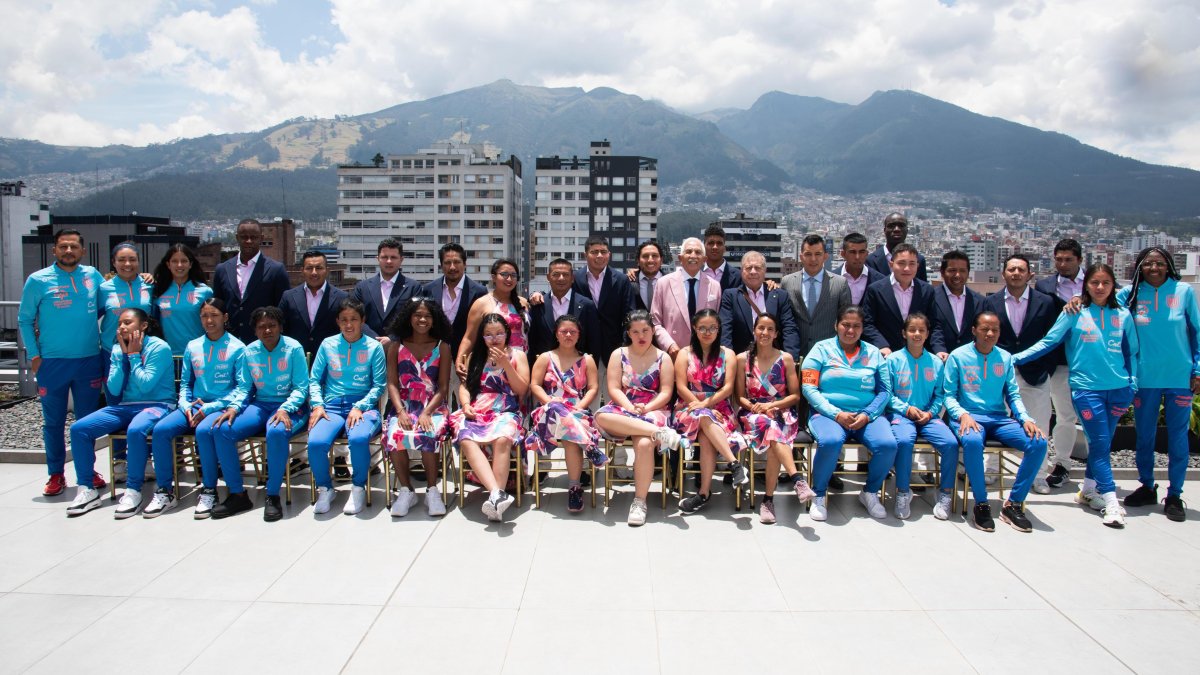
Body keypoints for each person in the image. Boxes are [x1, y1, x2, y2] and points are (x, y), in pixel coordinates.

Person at [1015, 263, 1138, 527]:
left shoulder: (1124, 316)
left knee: (1100, 445)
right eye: (1095, 283)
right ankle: (1112, 502)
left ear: (1113, 285)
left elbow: (1132, 353)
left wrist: (1133, 383)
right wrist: (1014, 358)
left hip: (1118, 391)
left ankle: (1089, 490)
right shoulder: (1074, 313)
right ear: (1086, 285)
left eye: (1106, 283)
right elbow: (1049, 342)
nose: (1100, 288)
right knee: (1101, 442)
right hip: (1086, 389)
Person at [136, 298, 244, 519]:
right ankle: (165, 490)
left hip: (219, 407)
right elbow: (185, 383)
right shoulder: (193, 346)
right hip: (192, 407)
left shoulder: (237, 347)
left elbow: (242, 388)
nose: (209, 320)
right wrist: (185, 405)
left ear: (225, 317)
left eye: (214, 315)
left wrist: (212, 406)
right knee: (161, 430)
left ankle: (209, 489)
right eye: (204, 315)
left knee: (205, 431)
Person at [19, 229, 108, 497]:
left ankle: (87, 471)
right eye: (63, 247)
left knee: (86, 422)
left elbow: (110, 305)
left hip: (88, 360)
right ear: (54, 250)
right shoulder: (37, 280)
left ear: (82, 250)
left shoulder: (93, 276)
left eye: (73, 247)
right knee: (53, 422)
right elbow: (24, 319)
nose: (68, 251)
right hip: (53, 363)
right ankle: (56, 474)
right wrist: (34, 355)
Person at [942, 311, 1049, 532]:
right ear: (974, 330)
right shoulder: (958, 356)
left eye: (995, 330)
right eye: (984, 329)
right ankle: (981, 504)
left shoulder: (1005, 357)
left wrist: (1025, 419)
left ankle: (1014, 503)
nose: (990, 333)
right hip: (967, 416)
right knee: (971, 442)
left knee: (1038, 442)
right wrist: (962, 414)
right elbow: (948, 395)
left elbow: (1013, 394)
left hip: (998, 418)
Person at [1116, 247, 1200, 522]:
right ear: (1139, 266)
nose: (1154, 268)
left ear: (1168, 266)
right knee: (1145, 435)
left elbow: (1196, 332)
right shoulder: (1130, 294)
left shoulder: (1184, 292)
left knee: (1177, 437)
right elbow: (1100, 298)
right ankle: (1146, 485)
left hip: (1179, 377)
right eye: (1148, 263)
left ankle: (1174, 493)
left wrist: (1198, 369)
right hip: (1145, 378)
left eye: (1159, 263)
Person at [65, 308, 175, 517]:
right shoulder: (117, 349)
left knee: (135, 430)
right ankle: (86, 488)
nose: (122, 327)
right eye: (120, 324)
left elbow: (146, 386)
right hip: (126, 406)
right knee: (79, 429)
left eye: (127, 323)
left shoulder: (159, 347)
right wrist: (123, 356)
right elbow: (114, 389)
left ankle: (133, 490)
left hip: (158, 404)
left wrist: (133, 355)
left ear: (143, 326)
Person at [801, 305, 897, 521]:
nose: (850, 330)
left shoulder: (874, 353)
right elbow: (809, 388)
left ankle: (870, 492)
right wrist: (835, 414)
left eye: (856, 326)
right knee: (831, 441)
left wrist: (868, 414)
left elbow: (885, 391)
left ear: (863, 329)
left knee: (888, 445)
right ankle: (818, 494)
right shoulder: (820, 349)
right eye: (846, 325)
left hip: (866, 416)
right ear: (836, 325)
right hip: (827, 415)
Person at [213, 307, 309, 522]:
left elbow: (302, 388)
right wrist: (234, 408)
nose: (267, 330)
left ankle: (272, 494)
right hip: (261, 404)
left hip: (291, 406)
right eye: (262, 327)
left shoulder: (293, 348)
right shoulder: (250, 351)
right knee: (222, 430)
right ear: (255, 331)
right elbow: (245, 387)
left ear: (280, 327)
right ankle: (237, 494)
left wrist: (285, 408)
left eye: (272, 325)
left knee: (275, 432)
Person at [595, 310, 687, 526]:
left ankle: (640, 501)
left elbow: (666, 392)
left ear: (653, 331)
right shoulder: (618, 354)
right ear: (628, 333)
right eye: (635, 331)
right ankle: (658, 433)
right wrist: (630, 408)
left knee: (645, 444)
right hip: (624, 407)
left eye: (645, 330)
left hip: (654, 408)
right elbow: (614, 388)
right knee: (600, 416)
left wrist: (645, 408)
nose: (641, 335)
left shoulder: (663, 357)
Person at [981, 253, 1062, 493]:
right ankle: (991, 468)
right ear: (1003, 273)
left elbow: (1053, 338)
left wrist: (1046, 367)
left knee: (1039, 424)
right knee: (996, 420)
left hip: (1035, 373)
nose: (1016, 273)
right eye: (1011, 269)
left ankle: (1038, 475)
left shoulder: (1046, 302)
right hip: (1000, 373)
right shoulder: (991, 302)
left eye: (1021, 270)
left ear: (1030, 274)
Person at [307, 298, 387, 516]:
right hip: (331, 407)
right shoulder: (327, 344)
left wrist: (360, 406)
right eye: (344, 320)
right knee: (315, 442)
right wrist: (317, 405)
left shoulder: (373, 347)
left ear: (363, 321)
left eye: (353, 319)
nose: (349, 324)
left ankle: (358, 487)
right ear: (337, 322)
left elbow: (379, 384)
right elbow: (314, 380)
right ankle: (325, 488)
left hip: (364, 407)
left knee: (358, 439)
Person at [450, 313, 530, 522]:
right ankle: (496, 494)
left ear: (507, 333)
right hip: (478, 408)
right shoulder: (476, 356)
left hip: (506, 408)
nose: (494, 338)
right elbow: (465, 387)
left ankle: (496, 498)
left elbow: (521, 389)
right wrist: (466, 404)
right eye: (488, 335)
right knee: (466, 437)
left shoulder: (518, 355)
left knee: (503, 438)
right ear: (482, 337)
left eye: (498, 333)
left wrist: (506, 364)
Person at [736, 313, 814, 525]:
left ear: (776, 333)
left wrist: (772, 405)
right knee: (771, 429)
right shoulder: (742, 359)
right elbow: (740, 396)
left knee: (773, 437)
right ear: (754, 330)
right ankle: (796, 479)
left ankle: (769, 500)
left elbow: (795, 395)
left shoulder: (785, 358)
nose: (765, 333)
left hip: (781, 412)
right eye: (761, 328)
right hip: (752, 414)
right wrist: (758, 408)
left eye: (770, 329)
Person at [881, 313, 960, 520]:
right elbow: (886, 394)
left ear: (927, 334)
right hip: (901, 415)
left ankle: (944, 493)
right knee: (905, 441)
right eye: (912, 330)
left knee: (951, 443)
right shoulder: (893, 360)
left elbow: (940, 395)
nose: (916, 334)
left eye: (921, 330)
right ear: (904, 333)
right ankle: (902, 492)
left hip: (928, 416)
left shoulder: (935, 363)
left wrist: (931, 412)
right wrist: (906, 409)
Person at [527, 314, 604, 513]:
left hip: (576, 411)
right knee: (556, 409)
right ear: (556, 334)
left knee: (570, 438)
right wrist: (549, 400)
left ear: (579, 335)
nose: (568, 335)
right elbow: (534, 385)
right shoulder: (546, 357)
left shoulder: (587, 360)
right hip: (548, 410)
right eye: (564, 331)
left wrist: (580, 406)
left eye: (573, 331)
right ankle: (589, 446)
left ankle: (574, 487)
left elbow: (594, 388)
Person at [674, 309, 749, 513]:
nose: (708, 332)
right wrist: (701, 405)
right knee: (705, 417)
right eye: (703, 328)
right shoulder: (684, 353)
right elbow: (681, 386)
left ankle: (704, 493)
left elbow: (727, 388)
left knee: (707, 437)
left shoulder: (728, 354)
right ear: (695, 330)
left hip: (719, 406)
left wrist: (706, 404)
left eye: (713, 328)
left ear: (718, 330)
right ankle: (734, 464)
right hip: (689, 406)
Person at [383, 297, 452, 518]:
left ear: (434, 320)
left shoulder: (443, 347)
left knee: (427, 432)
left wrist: (426, 412)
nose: (422, 319)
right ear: (408, 317)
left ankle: (432, 490)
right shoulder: (396, 346)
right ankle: (406, 490)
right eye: (417, 315)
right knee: (394, 434)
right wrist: (401, 412)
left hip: (433, 405)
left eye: (427, 316)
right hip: (404, 405)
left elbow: (442, 387)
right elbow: (392, 383)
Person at [1032, 238, 1084, 490]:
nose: (1063, 264)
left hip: (1085, 358)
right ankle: (1039, 467)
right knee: (1043, 414)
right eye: (1059, 259)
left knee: (1066, 414)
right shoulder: (1044, 285)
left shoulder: (1095, 284)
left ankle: (1062, 463)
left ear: (1080, 260)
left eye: (1069, 259)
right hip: (1053, 359)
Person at [212, 218, 291, 344]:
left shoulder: (276, 270)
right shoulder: (222, 269)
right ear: (237, 238)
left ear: (261, 238)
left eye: (253, 237)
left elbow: (283, 310)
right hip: (229, 343)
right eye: (244, 237)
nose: (249, 241)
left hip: (264, 343)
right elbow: (218, 308)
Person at [862, 243, 945, 357]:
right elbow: (867, 323)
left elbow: (934, 324)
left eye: (912, 264)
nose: (907, 269)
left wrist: (939, 349)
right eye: (901, 263)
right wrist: (882, 345)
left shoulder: (927, 291)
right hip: (885, 355)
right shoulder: (876, 290)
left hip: (917, 356)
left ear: (918, 265)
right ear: (891, 264)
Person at [782, 234, 853, 358]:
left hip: (829, 356)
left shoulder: (839, 283)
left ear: (825, 256)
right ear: (801, 257)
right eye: (808, 254)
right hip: (795, 356)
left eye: (818, 254)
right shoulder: (787, 282)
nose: (813, 259)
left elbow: (847, 320)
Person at [457, 259, 530, 376]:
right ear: (494, 277)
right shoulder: (481, 303)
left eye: (513, 275)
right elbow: (469, 337)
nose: (509, 279)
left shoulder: (524, 303)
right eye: (504, 274)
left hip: (521, 363)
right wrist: (460, 360)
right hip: (491, 364)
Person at [652, 237, 721, 360]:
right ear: (680, 257)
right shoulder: (663, 283)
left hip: (704, 355)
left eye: (698, 252)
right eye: (688, 252)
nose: (693, 256)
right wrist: (669, 345)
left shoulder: (714, 286)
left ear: (704, 259)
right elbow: (655, 322)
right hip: (673, 354)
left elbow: (717, 322)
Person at [573, 236, 637, 367]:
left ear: (609, 254)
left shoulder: (621, 280)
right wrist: (536, 294)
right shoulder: (575, 278)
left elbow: (629, 314)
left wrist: (625, 343)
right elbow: (560, 294)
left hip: (613, 345)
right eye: (594, 252)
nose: (599, 256)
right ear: (585, 254)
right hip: (582, 346)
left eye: (603, 252)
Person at [720, 250, 799, 356]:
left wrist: (791, 359)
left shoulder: (780, 296)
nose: (753, 272)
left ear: (764, 270)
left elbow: (789, 329)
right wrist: (727, 360)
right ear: (742, 271)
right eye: (748, 268)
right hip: (741, 362)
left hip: (773, 361)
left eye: (757, 268)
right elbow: (725, 330)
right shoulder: (731, 296)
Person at [422, 243, 487, 363]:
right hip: (433, 357)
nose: (452, 267)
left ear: (465, 264)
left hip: (466, 358)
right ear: (441, 265)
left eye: (457, 262)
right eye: (447, 263)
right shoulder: (428, 290)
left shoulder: (479, 292)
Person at [527, 258, 601, 363]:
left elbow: (594, 342)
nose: (561, 278)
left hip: (577, 368)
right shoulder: (538, 305)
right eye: (556, 274)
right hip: (545, 368)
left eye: (565, 275)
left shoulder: (586, 305)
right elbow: (532, 341)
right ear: (548, 277)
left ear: (572, 278)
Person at [279, 250, 351, 356]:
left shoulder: (342, 297)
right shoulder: (288, 297)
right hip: (295, 360)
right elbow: (280, 329)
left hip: (330, 361)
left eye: (319, 268)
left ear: (327, 270)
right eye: (309, 268)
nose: (314, 272)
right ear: (302, 270)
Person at [352, 238, 421, 344]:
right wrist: (375, 340)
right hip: (367, 348)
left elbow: (415, 318)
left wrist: (392, 338)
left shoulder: (413, 288)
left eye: (393, 257)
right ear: (378, 258)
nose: (389, 261)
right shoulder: (362, 287)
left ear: (401, 260)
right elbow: (355, 316)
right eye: (384, 257)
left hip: (401, 349)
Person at [152, 244, 213, 356]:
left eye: (184, 261)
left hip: (197, 355)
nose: (179, 265)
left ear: (190, 264)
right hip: (167, 356)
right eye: (174, 261)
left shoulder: (205, 291)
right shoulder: (158, 291)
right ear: (168, 264)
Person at [98, 243, 154, 358]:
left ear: (138, 262)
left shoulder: (150, 286)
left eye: (132, 259)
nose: (127, 264)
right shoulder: (104, 288)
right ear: (114, 262)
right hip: (111, 352)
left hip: (144, 351)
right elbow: (91, 319)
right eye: (121, 260)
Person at [931, 250, 983, 357]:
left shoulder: (980, 301)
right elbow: (932, 328)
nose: (957, 275)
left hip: (970, 363)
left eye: (962, 271)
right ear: (942, 272)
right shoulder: (930, 297)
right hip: (939, 361)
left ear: (968, 273)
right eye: (952, 270)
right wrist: (939, 350)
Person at [866, 212, 928, 281]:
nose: (896, 229)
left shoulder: (919, 260)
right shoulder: (870, 261)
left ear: (907, 230)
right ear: (884, 230)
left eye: (901, 225)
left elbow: (922, 288)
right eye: (891, 226)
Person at [838, 232, 884, 305]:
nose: (857, 257)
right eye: (852, 252)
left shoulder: (880, 281)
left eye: (862, 252)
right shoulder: (830, 280)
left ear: (866, 254)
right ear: (843, 254)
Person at [701, 224, 744, 291]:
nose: (715, 247)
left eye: (719, 243)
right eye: (711, 243)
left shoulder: (739, 277)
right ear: (703, 247)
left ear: (724, 248)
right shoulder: (696, 273)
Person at [629, 240, 667, 312]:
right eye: (645, 256)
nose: (650, 260)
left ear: (661, 260)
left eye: (654, 256)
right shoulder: (628, 282)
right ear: (638, 261)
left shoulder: (671, 283)